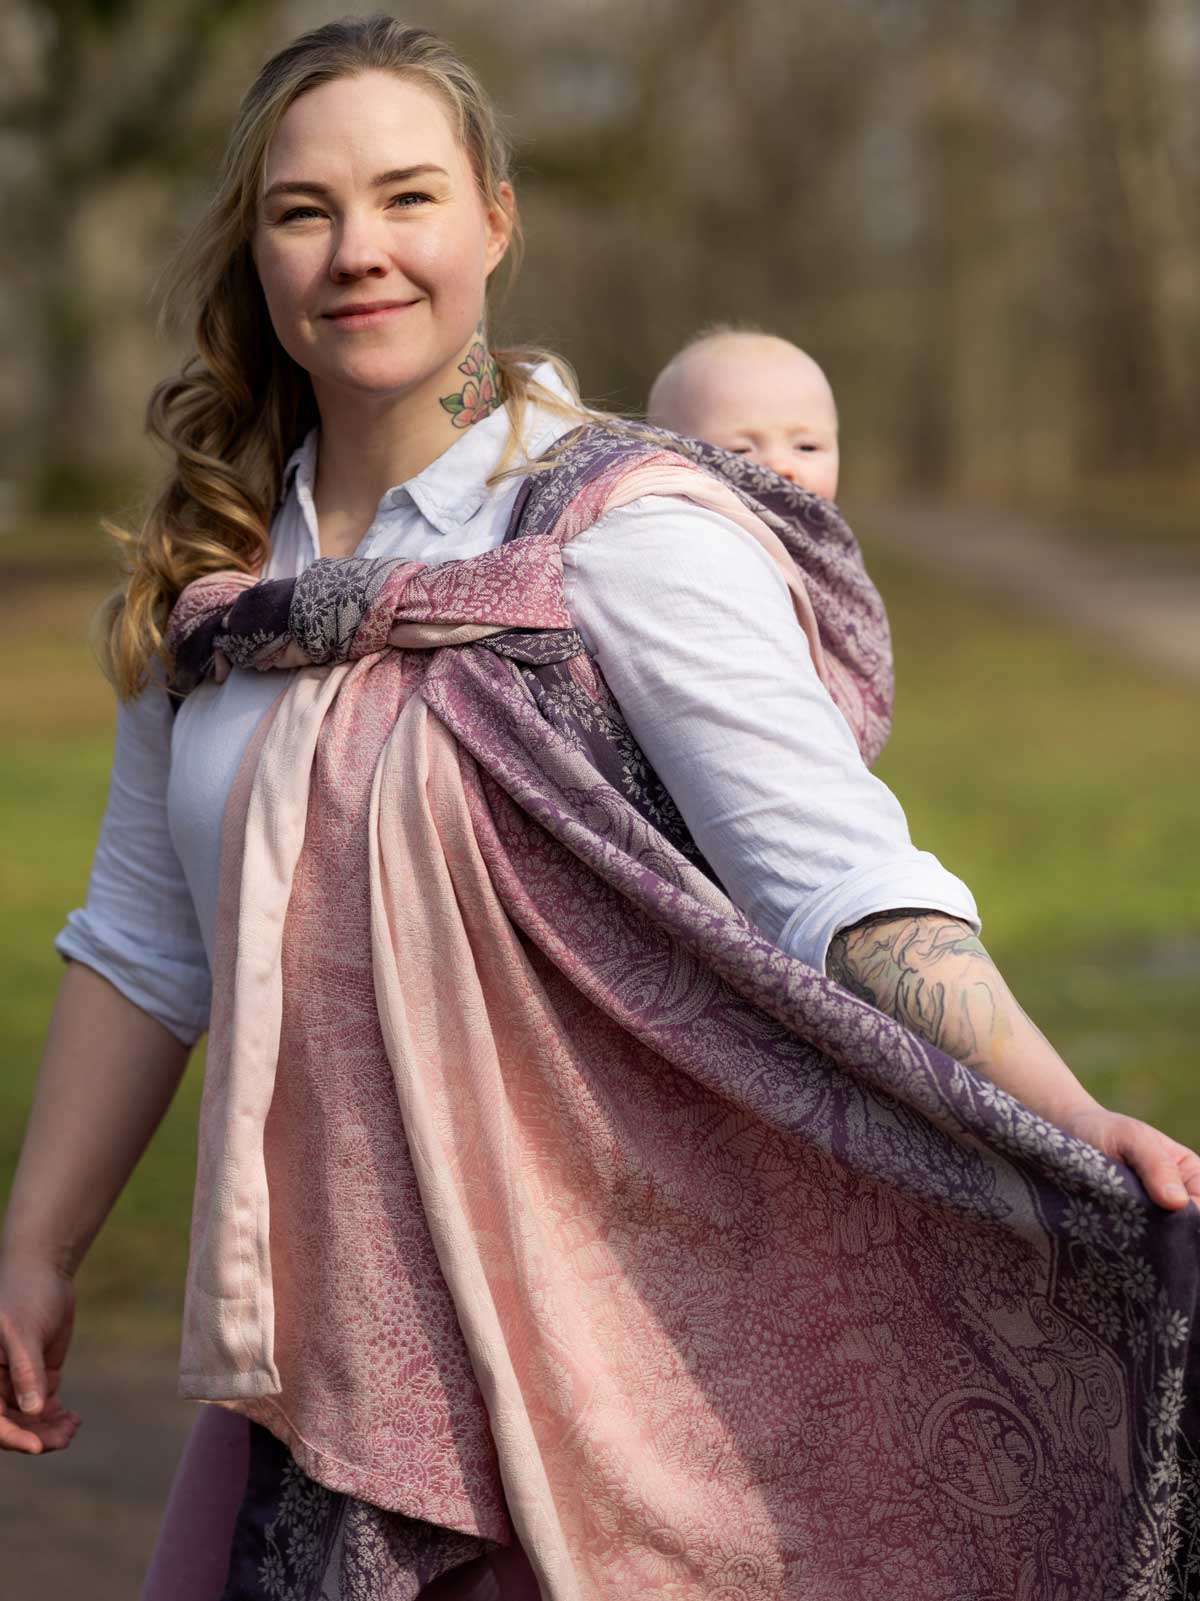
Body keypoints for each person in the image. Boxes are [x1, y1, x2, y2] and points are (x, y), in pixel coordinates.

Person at [2, 15, 1197, 1600]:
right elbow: (149, 948)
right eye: (306, 211)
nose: (360, 250)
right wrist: (38, 1246)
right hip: (331, 1357)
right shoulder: (226, 589)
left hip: (628, 1350)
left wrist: (1067, 1116)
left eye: (409, 197)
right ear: (259, 251)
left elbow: (832, 873)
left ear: (496, 220)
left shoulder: (619, 525)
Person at [647, 326, 840, 502]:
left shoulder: (830, 536)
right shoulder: (690, 533)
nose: (779, 466)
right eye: (739, 451)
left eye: (807, 447)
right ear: (668, 459)